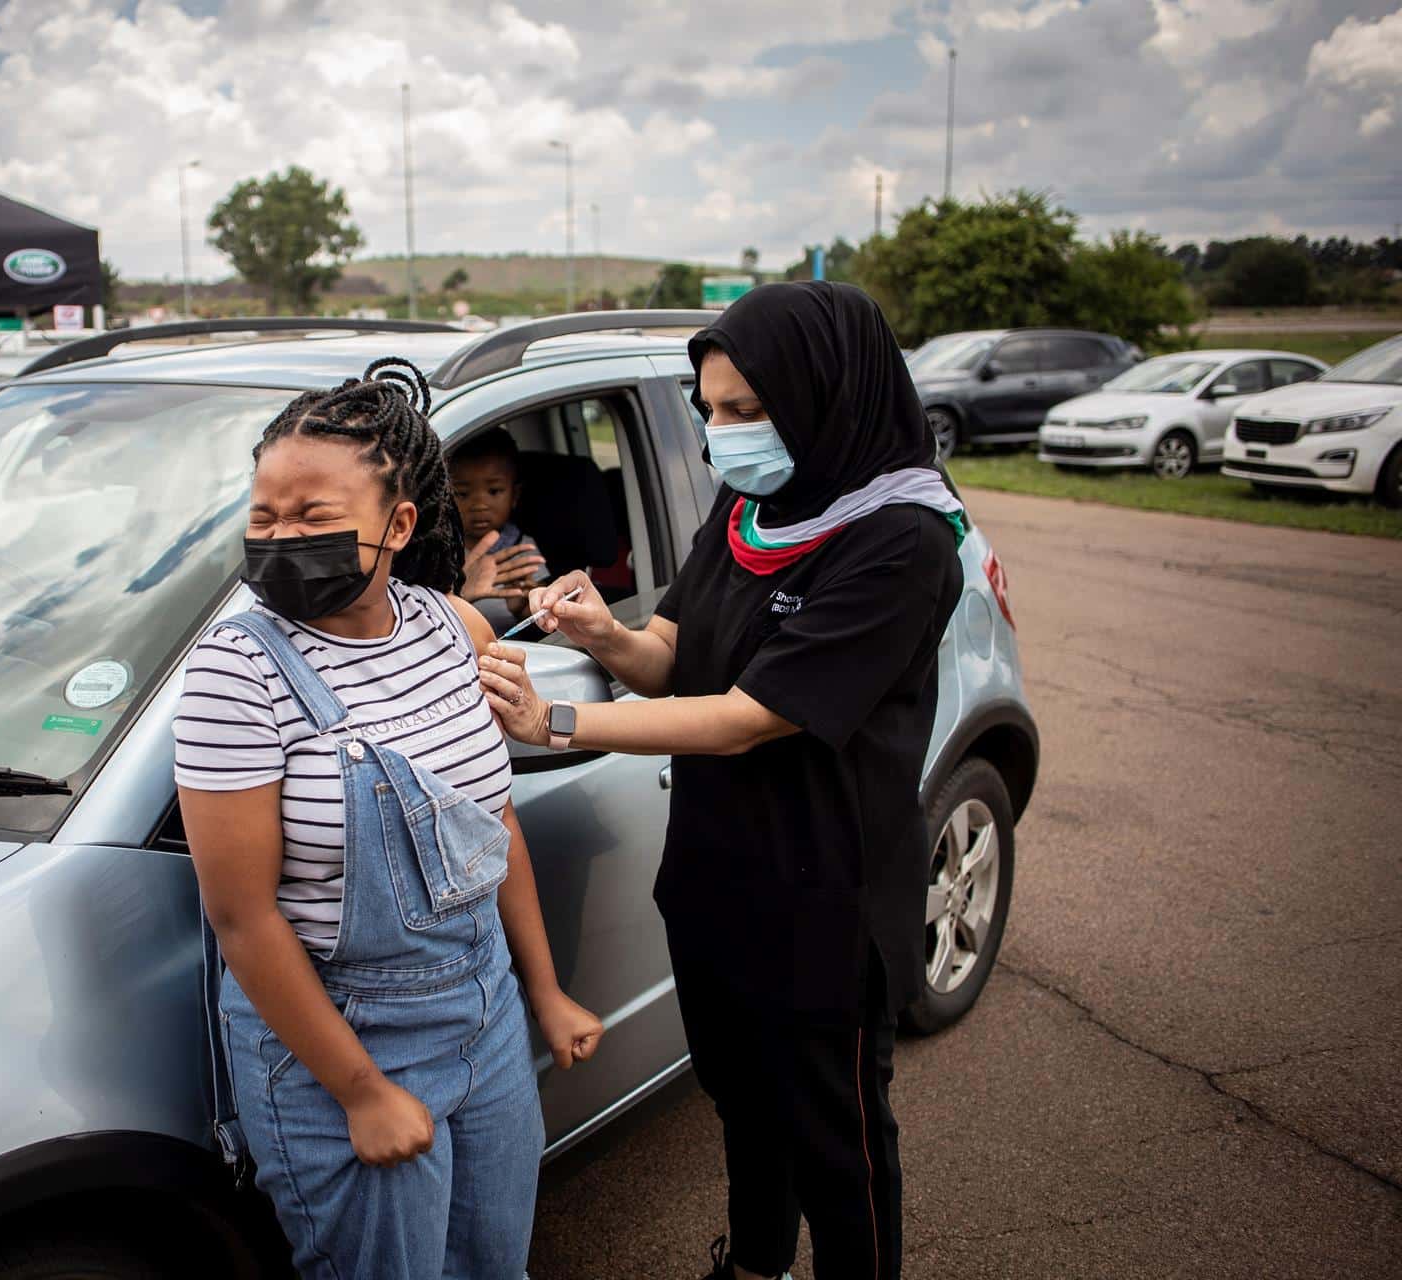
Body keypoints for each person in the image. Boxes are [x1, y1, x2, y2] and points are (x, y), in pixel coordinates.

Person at [476, 283, 967, 1280]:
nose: (719, 431)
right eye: (711, 408)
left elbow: (751, 716)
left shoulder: (903, 539)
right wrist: (606, 634)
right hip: (719, 873)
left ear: (828, 396)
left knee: (840, 1139)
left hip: (825, 895)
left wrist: (557, 718)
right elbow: (672, 649)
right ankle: (753, 1265)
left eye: (745, 410)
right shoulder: (751, 508)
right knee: (745, 1101)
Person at [175, 357, 604, 1280]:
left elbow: (490, 827)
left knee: (495, 1266)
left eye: (315, 517)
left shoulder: (451, 628)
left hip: (482, 1011)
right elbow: (243, 920)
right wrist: (360, 1090)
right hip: (345, 1036)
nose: (282, 536)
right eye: (264, 516)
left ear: (399, 525)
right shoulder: (233, 675)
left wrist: (542, 989)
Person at [449, 427, 548, 620]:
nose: (479, 505)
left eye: (494, 491)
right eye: (462, 493)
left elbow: (543, 620)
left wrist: (524, 609)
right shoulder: (441, 551)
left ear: (515, 495)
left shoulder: (522, 548)